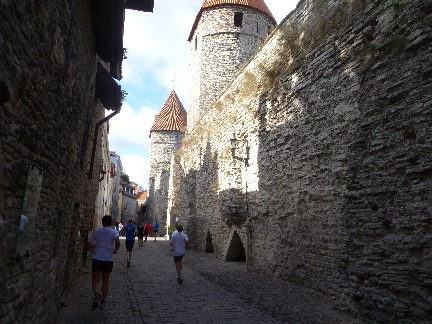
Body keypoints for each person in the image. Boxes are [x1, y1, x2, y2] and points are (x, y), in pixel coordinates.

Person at [87, 215, 120, 310]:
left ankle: (97, 294)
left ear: (102, 222)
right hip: (108, 259)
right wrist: (115, 250)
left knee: (95, 281)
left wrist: (94, 247)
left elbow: (89, 243)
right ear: (110, 223)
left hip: (97, 258)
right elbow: (117, 243)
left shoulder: (97, 232)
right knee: (105, 280)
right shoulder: (114, 232)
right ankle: (104, 299)